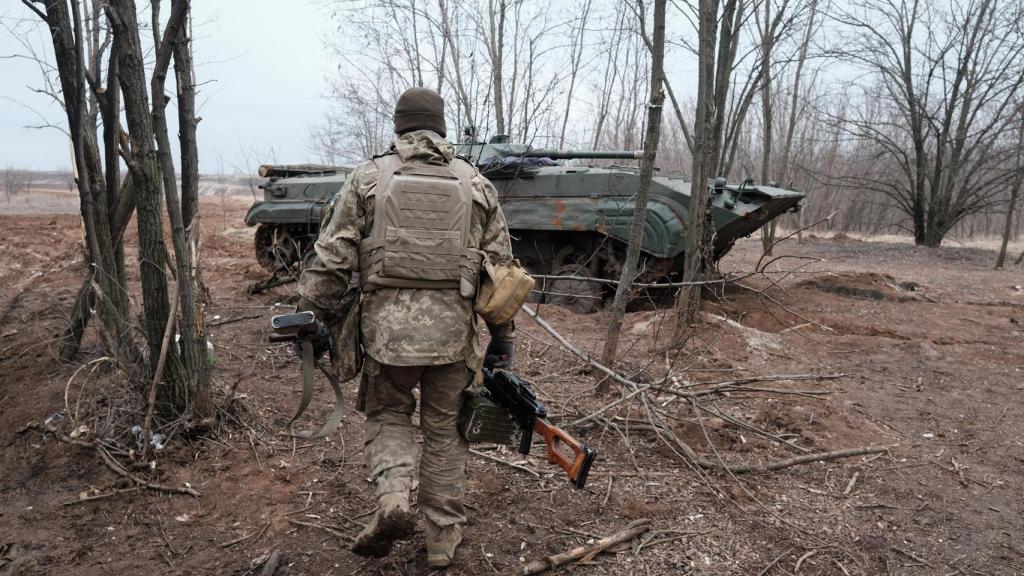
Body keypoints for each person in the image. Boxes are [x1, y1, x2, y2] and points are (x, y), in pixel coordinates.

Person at [296, 87, 516, 568]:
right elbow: (502, 274)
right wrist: (503, 338)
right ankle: (440, 539)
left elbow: (333, 258)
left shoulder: (369, 178)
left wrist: (312, 316)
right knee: (444, 432)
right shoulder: (476, 184)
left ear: (399, 126)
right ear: (441, 126)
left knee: (391, 416)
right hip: (452, 341)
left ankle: (394, 500)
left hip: (386, 337)